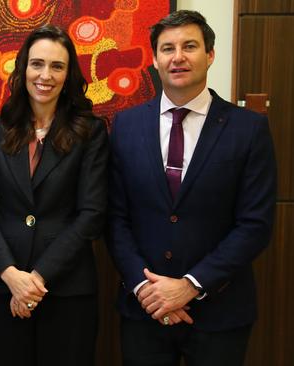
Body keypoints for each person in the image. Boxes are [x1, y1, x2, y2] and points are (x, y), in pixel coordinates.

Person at [107, 10, 277, 366]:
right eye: (167, 48)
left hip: (220, 311)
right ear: (154, 60)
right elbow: (115, 218)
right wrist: (146, 288)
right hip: (144, 310)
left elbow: (255, 224)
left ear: (210, 54)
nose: (178, 57)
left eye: (190, 46)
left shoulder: (248, 129)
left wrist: (190, 285)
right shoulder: (126, 125)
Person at [0, 25, 108, 366]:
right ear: (23, 68)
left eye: (57, 66)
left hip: (67, 290)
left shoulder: (91, 131)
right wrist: (11, 275)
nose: (45, 75)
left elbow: (91, 214)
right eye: (37, 64)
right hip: (1, 288)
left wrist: (36, 279)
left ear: (68, 74)